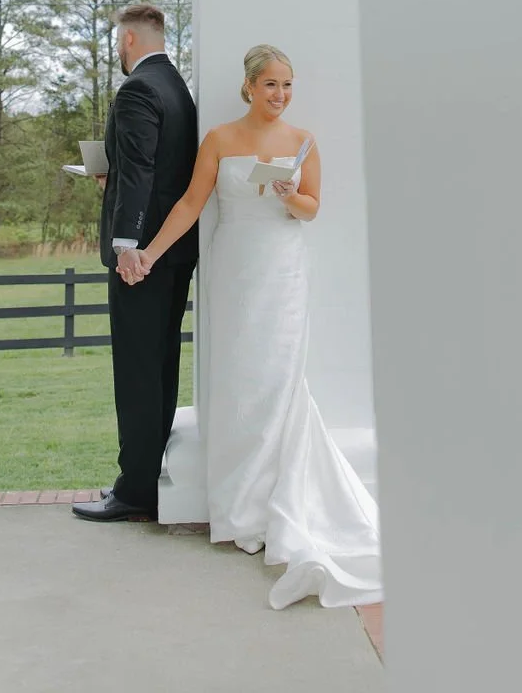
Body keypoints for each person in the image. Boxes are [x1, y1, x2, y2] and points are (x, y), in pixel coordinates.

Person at [121, 44, 382, 609]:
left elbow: (314, 209)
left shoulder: (303, 140)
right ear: (249, 86)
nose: (280, 95)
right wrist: (147, 252)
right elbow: (192, 203)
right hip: (234, 264)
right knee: (236, 378)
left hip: (284, 269)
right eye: (270, 85)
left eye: (287, 85)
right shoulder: (218, 139)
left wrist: (292, 196)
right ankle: (238, 507)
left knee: (275, 377)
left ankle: (276, 503)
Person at [72, 5, 198, 523]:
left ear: (127, 38)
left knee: (137, 369)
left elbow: (143, 171)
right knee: (160, 363)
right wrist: (112, 177)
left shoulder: (137, 90)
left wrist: (127, 247)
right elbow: (159, 168)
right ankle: (147, 477)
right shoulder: (179, 89)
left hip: (142, 258)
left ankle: (135, 490)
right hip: (172, 253)